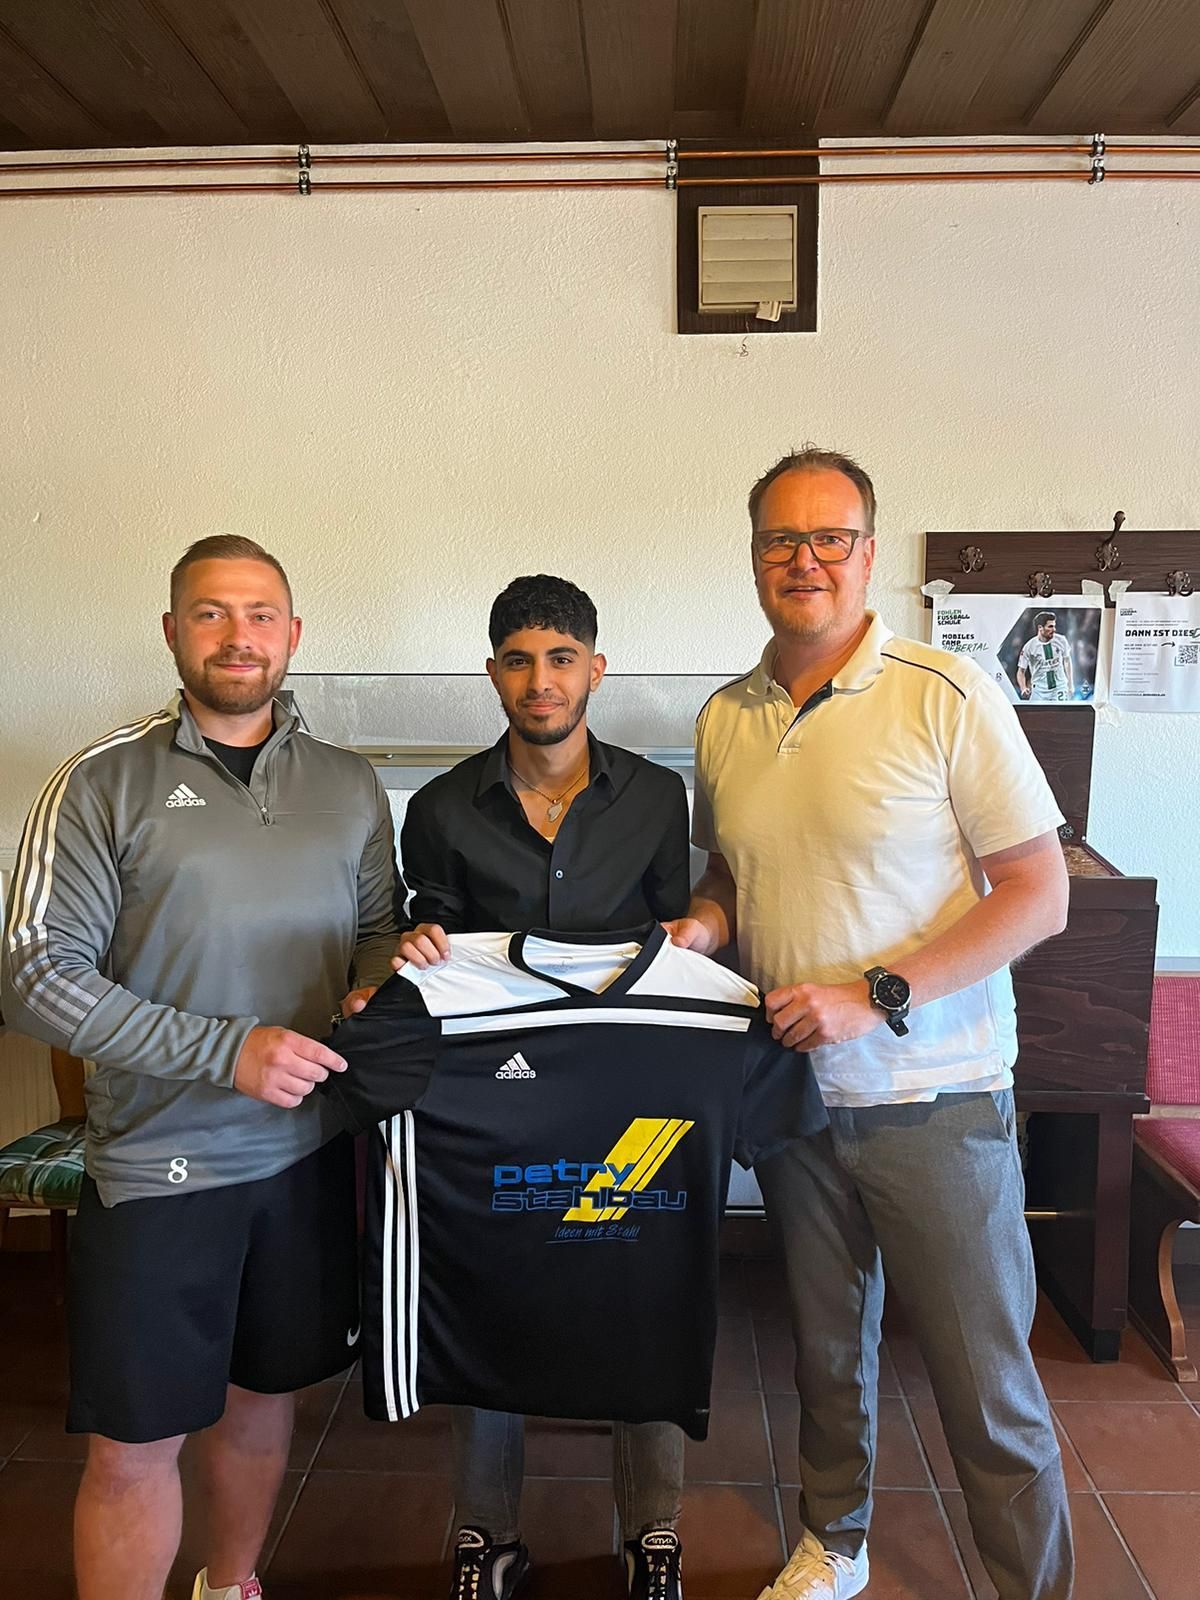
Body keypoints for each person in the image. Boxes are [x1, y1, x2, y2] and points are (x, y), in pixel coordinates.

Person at [667, 449, 1075, 1600]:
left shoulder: (945, 691)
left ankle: (1032, 1586)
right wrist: (706, 921)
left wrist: (876, 991)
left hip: (936, 1099)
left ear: (869, 554)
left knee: (985, 1383)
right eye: (780, 539)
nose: (805, 559)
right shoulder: (726, 716)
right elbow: (734, 869)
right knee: (826, 1351)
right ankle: (834, 1541)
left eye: (829, 538)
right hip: (795, 1099)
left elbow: (1037, 892)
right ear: (754, 555)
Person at [1, 535, 400, 1600]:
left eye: (260, 614)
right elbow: (34, 975)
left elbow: (374, 930)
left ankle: (230, 1584)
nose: (238, 636)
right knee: (134, 1446)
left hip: (307, 1155)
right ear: (173, 631)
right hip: (160, 1168)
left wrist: (373, 986)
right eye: (212, 613)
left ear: (293, 634)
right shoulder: (100, 780)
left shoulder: (349, 782)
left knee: (264, 1399)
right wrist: (226, 1049)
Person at [368, 573, 693, 1600]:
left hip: (632, 1094)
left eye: (560, 658)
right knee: (488, 1286)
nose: (540, 680)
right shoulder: (440, 808)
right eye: (518, 660)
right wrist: (413, 944)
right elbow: (424, 937)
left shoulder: (657, 797)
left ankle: (652, 1531)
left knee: (644, 1291)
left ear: (596, 668)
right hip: (495, 1100)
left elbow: (676, 939)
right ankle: (487, 1531)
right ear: (493, 673)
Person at [1017, 611, 1074, 703]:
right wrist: (1023, 688)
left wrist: (1070, 685)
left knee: (1059, 711)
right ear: (1040, 627)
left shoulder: (1061, 640)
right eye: (1050, 626)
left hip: (1059, 688)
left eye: (1054, 626)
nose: (1054, 629)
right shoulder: (1029, 646)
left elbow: (1067, 661)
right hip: (1039, 691)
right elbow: (1021, 671)